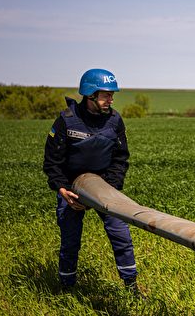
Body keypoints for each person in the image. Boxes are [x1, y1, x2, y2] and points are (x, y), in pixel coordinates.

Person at [43, 68, 142, 296]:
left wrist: (109, 188)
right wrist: (63, 189)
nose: (111, 99)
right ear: (90, 95)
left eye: (112, 95)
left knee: (121, 235)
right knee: (70, 241)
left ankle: (132, 288)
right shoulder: (66, 121)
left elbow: (120, 159)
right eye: (106, 95)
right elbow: (52, 162)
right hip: (71, 190)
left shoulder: (115, 120)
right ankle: (66, 289)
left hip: (105, 188)